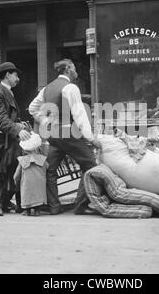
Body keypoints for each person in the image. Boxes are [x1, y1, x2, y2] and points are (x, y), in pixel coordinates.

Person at [28, 58, 100, 215]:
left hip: (53, 134)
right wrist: (91, 138)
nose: (76, 71)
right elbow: (79, 114)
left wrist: (45, 121)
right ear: (67, 69)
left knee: (50, 169)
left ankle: (54, 206)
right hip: (69, 134)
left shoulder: (47, 89)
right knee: (90, 165)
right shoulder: (71, 87)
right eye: (74, 67)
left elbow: (32, 108)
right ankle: (80, 205)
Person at [0, 62, 31, 216]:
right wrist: (17, 129)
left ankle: (4, 201)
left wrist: (19, 124)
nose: (18, 79)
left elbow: (9, 117)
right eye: (15, 75)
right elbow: (1, 120)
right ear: (7, 75)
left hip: (7, 139)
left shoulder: (7, 92)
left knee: (11, 171)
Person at [13, 132, 48, 216]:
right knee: (38, 194)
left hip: (27, 184)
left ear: (24, 149)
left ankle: (27, 210)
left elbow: (16, 175)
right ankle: (37, 210)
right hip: (40, 183)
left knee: (26, 193)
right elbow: (47, 167)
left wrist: (15, 181)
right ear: (37, 148)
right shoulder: (42, 159)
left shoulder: (22, 160)